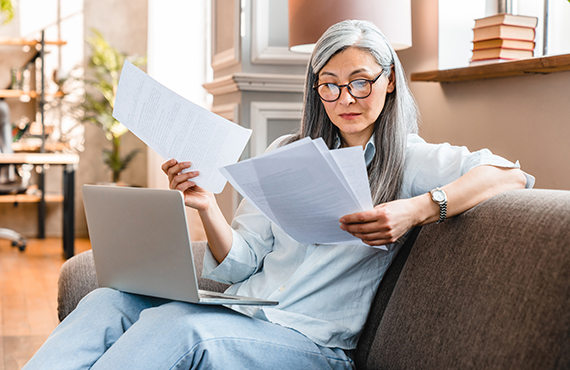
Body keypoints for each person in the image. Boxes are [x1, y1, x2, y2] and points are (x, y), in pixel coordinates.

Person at [23, 20, 533, 369]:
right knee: (109, 299)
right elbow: (241, 262)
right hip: (247, 312)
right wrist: (205, 208)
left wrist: (419, 209)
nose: (344, 99)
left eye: (360, 83)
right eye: (329, 85)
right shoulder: (291, 150)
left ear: (390, 82)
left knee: (180, 328)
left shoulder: (410, 158)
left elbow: (511, 175)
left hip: (312, 343)